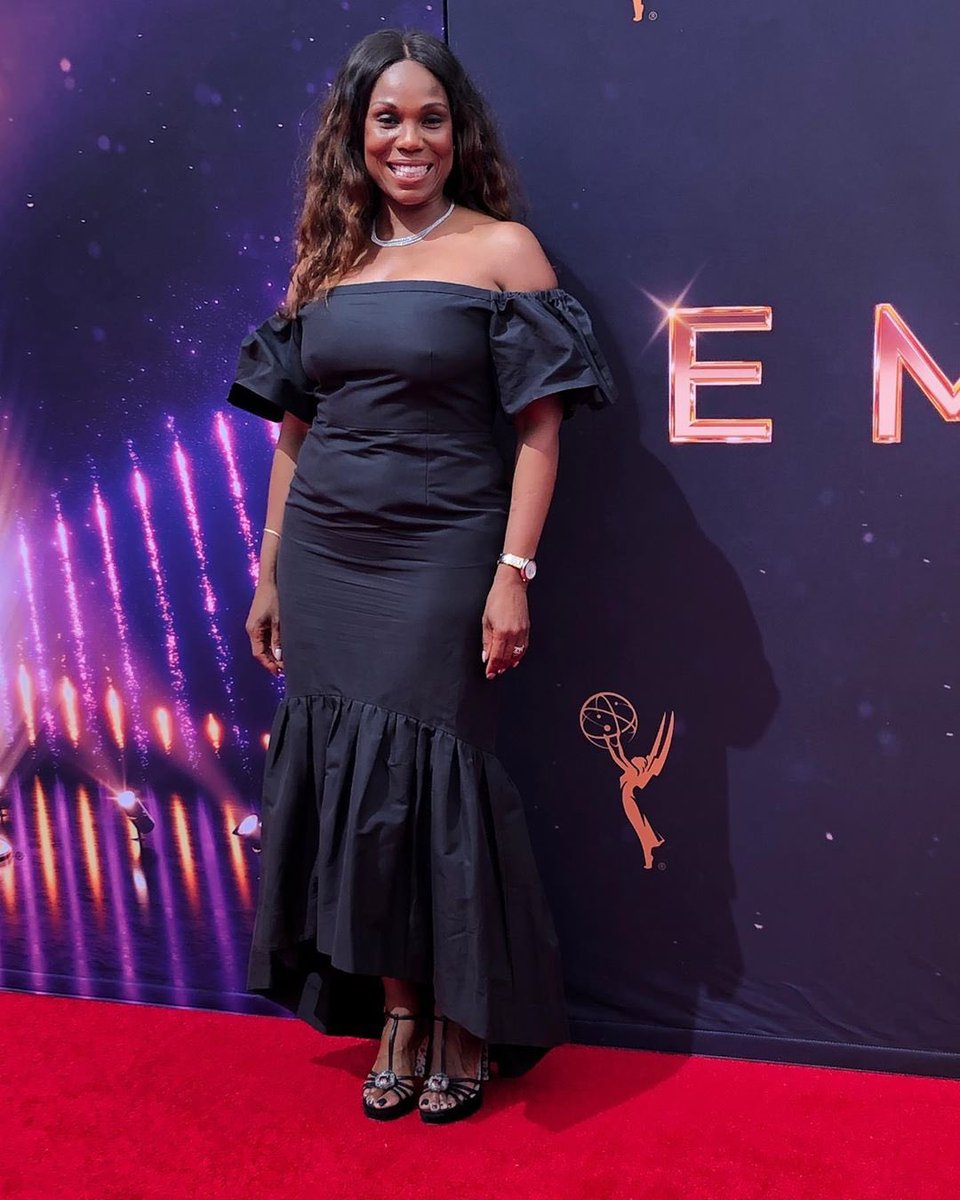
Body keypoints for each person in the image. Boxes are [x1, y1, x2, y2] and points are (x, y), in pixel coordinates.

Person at [228, 28, 615, 1124]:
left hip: (447, 549)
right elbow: (293, 434)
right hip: (326, 555)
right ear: (357, 136)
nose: (410, 137)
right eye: (388, 118)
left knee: (431, 782)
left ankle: (465, 1013)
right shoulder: (327, 264)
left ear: (459, 134)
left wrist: (513, 572)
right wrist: (268, 574)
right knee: (355, 795)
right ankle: (397, 1009)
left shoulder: (505, 253)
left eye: (430, 117)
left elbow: (542, 432)